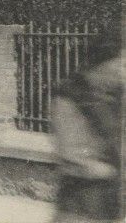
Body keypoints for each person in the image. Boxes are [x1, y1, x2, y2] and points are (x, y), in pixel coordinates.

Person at [52, 53, 122, 222]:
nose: (122, 73)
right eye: (120, 66)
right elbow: (69, 151)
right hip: (79, 201)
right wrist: (102, 168)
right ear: (102, 63)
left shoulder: (114, 95)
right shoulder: (70, 95)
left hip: (108, 201)